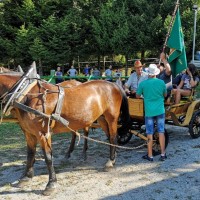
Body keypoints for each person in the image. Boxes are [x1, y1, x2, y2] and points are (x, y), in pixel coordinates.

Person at [136, 64, 167, 162]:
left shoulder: (143, 84)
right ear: (156, 73)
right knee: (161, 131)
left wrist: (144, 95)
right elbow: (165, 94)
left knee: (149, 133)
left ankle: (150, 155)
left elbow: (137, 96)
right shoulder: (161, 82)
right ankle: (163, 154)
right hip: (160, 110)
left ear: (148, 73)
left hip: (149, 111)